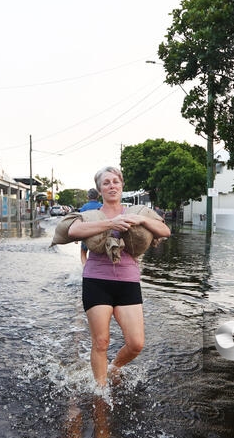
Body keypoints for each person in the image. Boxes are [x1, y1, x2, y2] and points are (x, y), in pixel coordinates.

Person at [67, 166, 171, 388]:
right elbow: (72, 231)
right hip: (97, 281)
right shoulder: (91, 214)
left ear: (122, 185)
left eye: (115, 181)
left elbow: (165, 231)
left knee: (136, 343)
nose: (111, 185)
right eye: (106, 182)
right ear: (100, 189)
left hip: (128, 282)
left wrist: (140, 221)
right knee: (101, 341)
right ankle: (100, 393)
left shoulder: (136, 212)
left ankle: (114, 367)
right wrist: (111, 224)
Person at [78, 188, 103, 265]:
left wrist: (77, 238)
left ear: (88, 197)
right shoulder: (102, 206)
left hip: (86, 235)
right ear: (98, 196)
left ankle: (85, 268)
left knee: (83, 252)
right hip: (100, 235)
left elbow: (80, 221)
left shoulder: (84, 207)